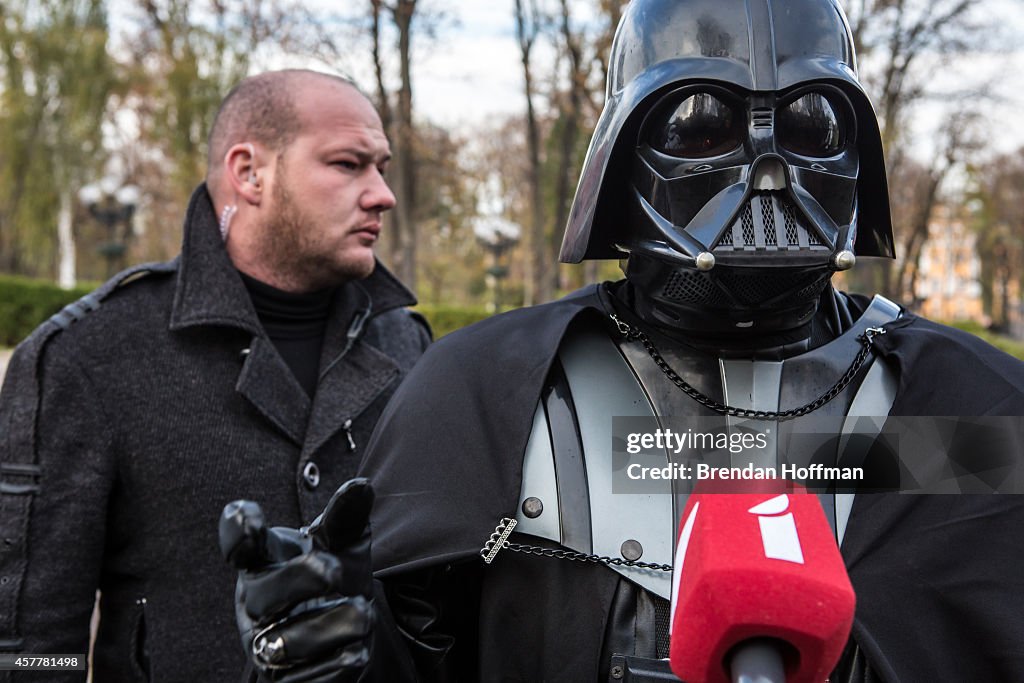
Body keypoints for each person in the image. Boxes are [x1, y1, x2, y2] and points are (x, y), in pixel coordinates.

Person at [221, 2, 1024, 681]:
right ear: (623, 153)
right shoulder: (480, 394)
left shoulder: (970, 408)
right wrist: (339, 649)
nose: (769, 168)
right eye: (703, 124)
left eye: (814, 124)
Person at [0, 69, 430, 682]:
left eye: (381, 167)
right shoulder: (87, 356)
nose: (382, 193)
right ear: (250, 172)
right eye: (347, 164)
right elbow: (28, 650)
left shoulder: (408, 345)